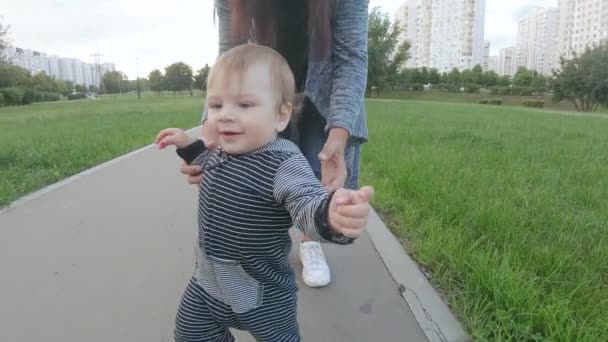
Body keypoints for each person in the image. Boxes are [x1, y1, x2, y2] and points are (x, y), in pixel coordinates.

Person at [156, 44, 373, 342]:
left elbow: (305, 201)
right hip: (208, 282)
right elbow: (207, 164)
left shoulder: (283, 161)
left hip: (262, 295)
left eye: (244, 105)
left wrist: (330, 214)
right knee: (191, 333)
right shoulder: (222, 151)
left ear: (281, 115)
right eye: (216, 105)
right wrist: (188, 146)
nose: (225, 116)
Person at [180, 0, 369, 288]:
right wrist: (207, 137)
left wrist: (339, 135)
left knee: (314, 179)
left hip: (325, 94)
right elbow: (229, 55)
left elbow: (351, 58)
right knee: (250, 170)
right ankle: (257, 248)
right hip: (258, 94)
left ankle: (310, 241)